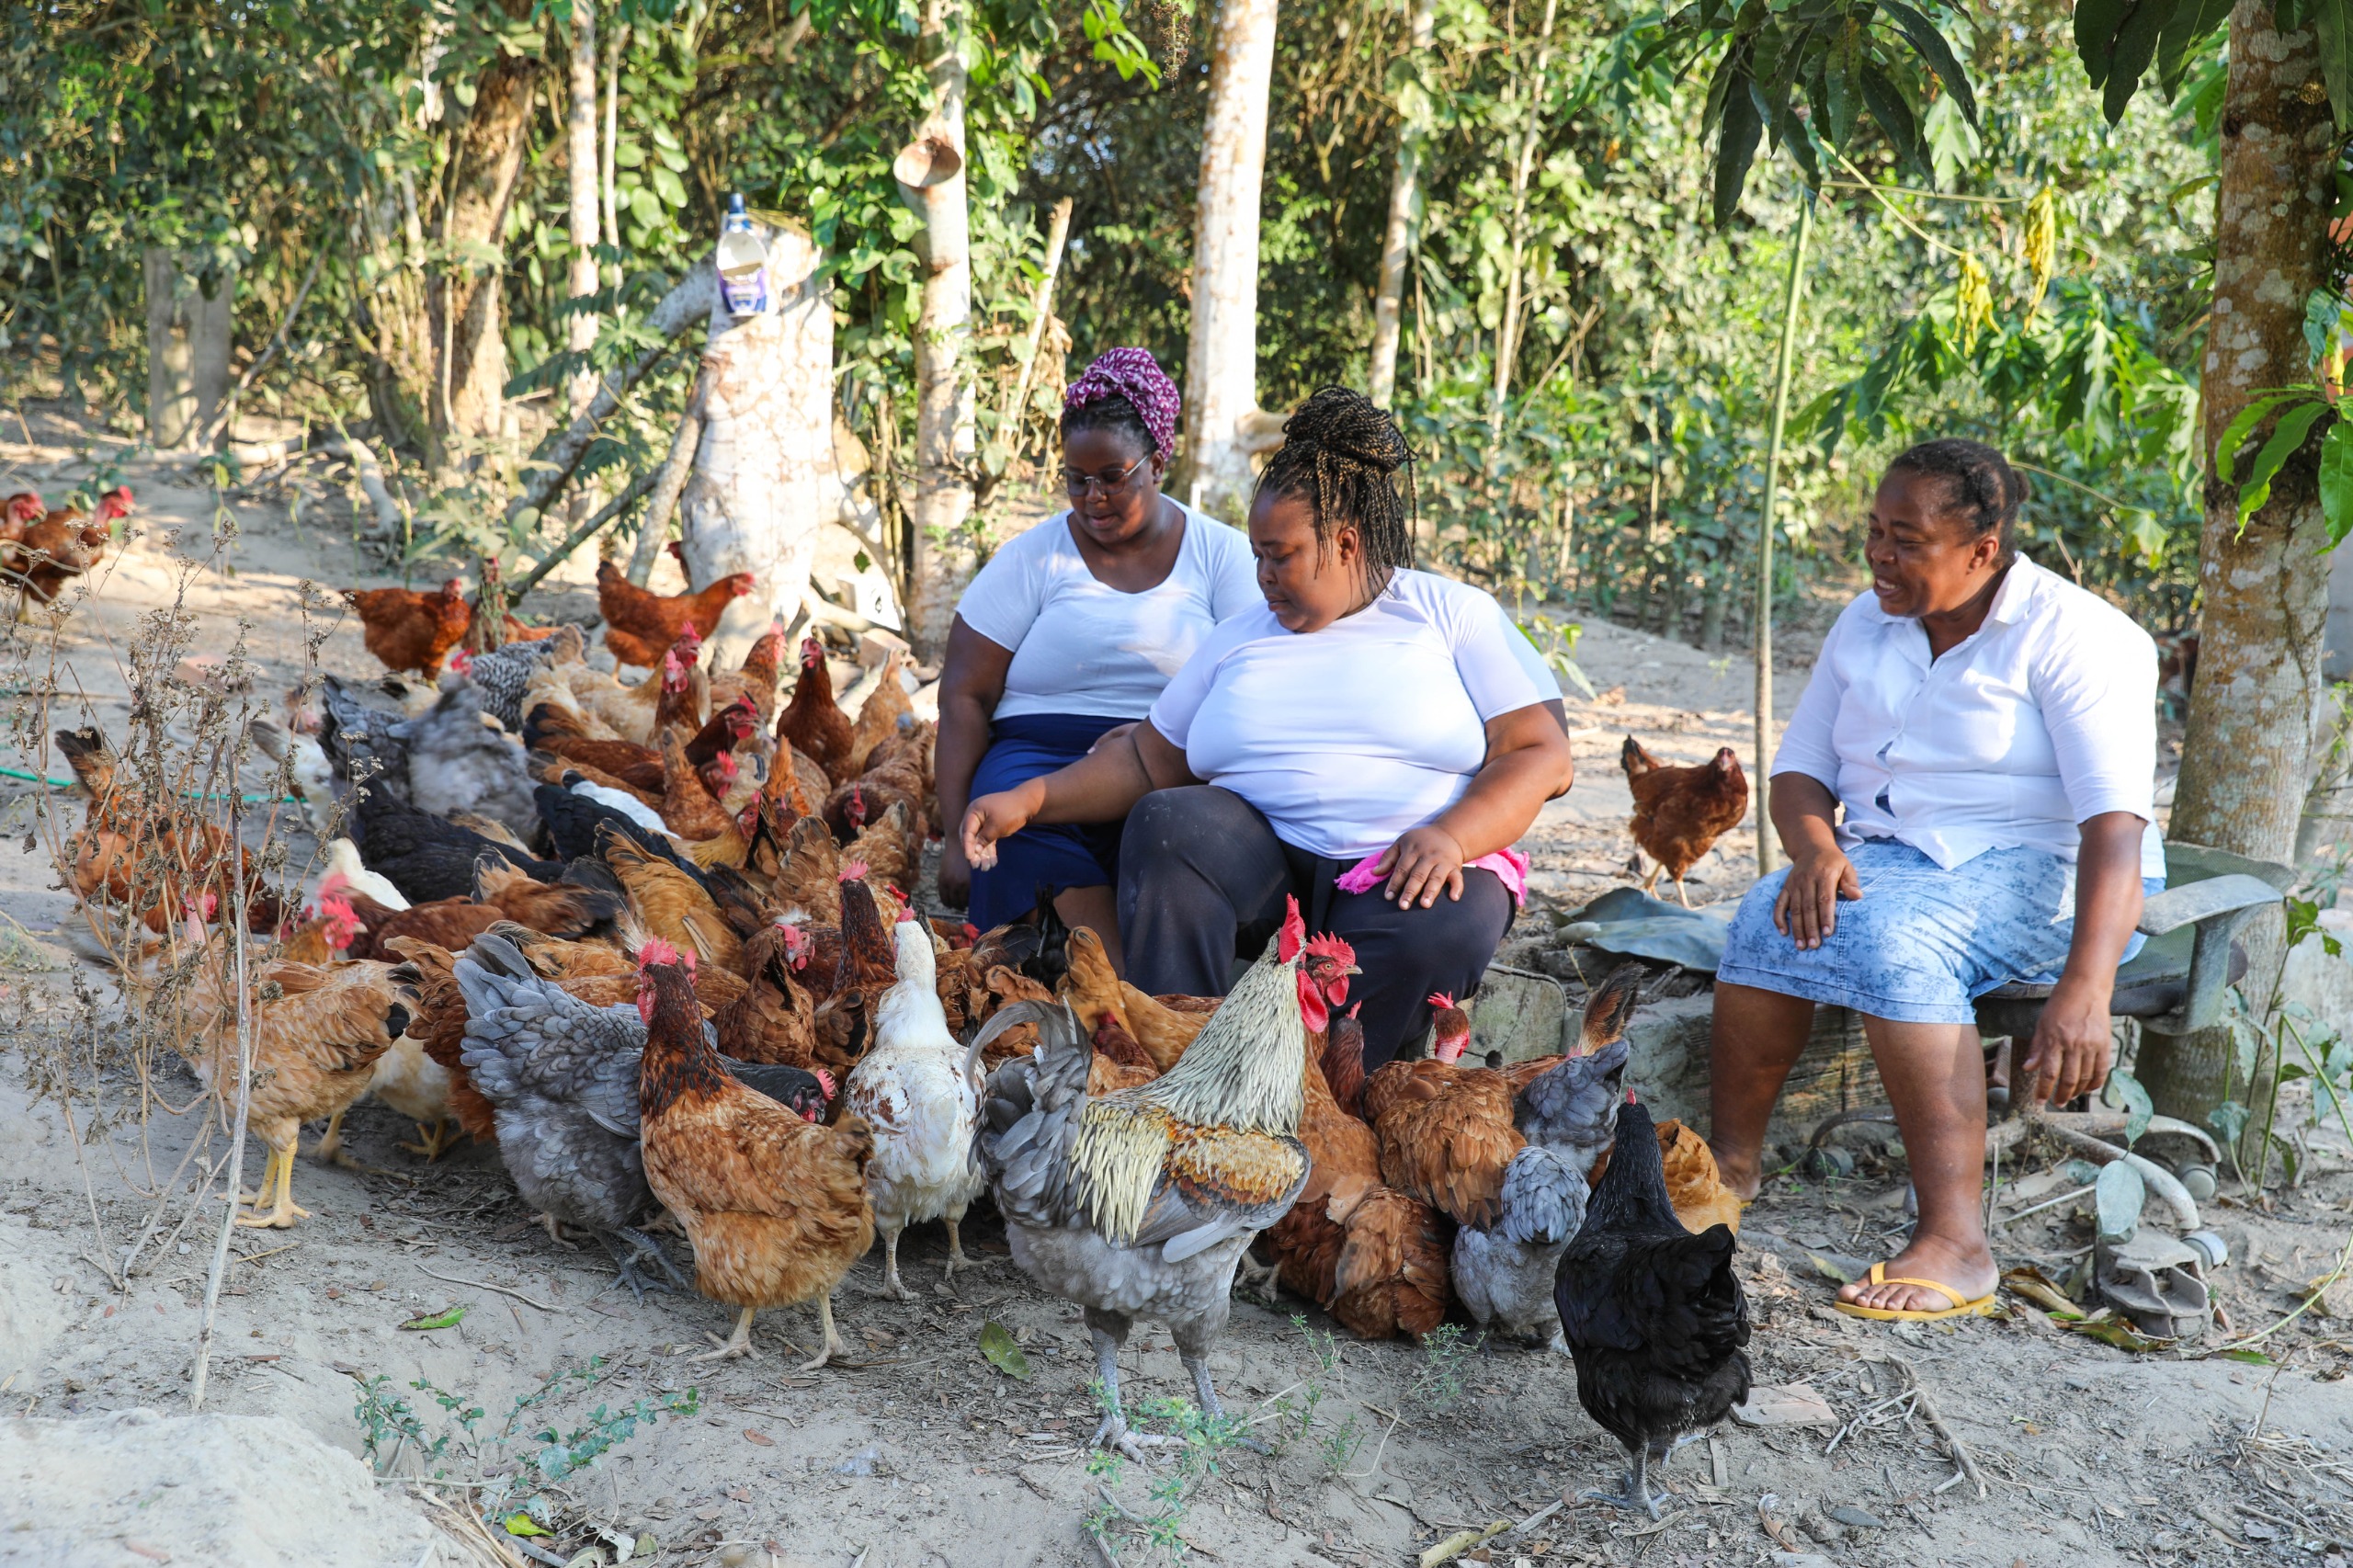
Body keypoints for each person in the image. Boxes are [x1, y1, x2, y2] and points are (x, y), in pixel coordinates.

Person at [961, 387, 1575, 1070]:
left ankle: (1333, 1092)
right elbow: (1145, 761)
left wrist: (1454, 836)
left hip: (1406, 865)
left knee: (1445, 924)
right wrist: (1028, 801)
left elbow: (1542, 755)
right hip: (1264, 864)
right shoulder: (1238, 636)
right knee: (1168, 821)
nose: (1262, 578)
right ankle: (1182, 1062)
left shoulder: (1450, 614)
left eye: (1279, 556)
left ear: (1345, 542)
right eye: (1255, 555)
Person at [1707, 438, 2163, 1323]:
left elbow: (2115, 830)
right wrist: (1811, 850)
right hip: (1894, 859)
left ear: (1980, 552)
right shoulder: (1864, 623)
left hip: (2047, 871)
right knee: (1763, 914)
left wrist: (2087, 986)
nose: (1879, 554)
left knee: (1894, 939)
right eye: (1875, 531)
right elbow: (1799, 775)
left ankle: (1958, 1243)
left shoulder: (2077, 636)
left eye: (1906, 539)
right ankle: (1729, 1169)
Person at [935, 348, 1258, 970]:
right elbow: (964, 695)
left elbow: (1256, 679)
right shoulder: (1032, 558)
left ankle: (1121, 993)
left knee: (1168, 830)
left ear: (1158, 463)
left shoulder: (1222, 556)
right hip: (1035, 752)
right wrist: (954, 837)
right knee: (1009, 826)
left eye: (1112, 476)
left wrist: (1160, 741)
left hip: (1169, 756)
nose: (1092, 498)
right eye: (1076, 479)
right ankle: (1121, 992)